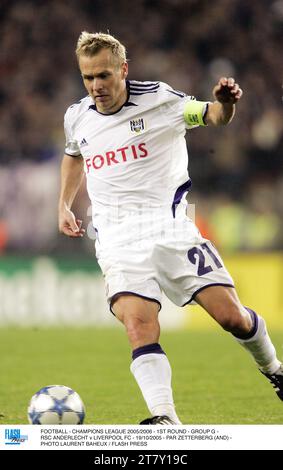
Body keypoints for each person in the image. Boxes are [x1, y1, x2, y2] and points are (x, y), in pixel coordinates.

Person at [58, 31, 283, 425]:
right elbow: (74, 154)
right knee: (138, 325)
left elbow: (212, 116)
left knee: (232, 318)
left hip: (170, 229)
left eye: (104, 76)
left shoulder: (160, 99)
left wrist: (225, 104)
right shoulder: (77, 116)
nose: (96, 87)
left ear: (123, 70)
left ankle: (276, 370)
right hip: (115, 237)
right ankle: (165, 418)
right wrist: (63, 203)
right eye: (88, 78)